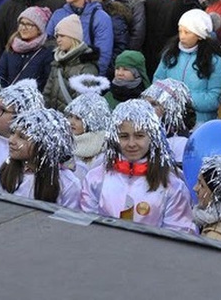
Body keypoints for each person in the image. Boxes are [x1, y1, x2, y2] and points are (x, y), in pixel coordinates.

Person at [80, 99, 196, 233]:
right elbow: (85, 227)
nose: (131, 143)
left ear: (152, 137)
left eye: (139, 135)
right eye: (124, 136)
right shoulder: (96, 178)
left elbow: (179, 236)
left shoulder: (172, 186)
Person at [0, 107, 81, 209]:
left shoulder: (67, 184)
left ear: (45, 145)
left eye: (22, 137)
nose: (11, 140)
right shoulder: (6, 172)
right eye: (13, 133)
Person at [45, 0, 114, 76]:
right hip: (59, 75)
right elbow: (48, 45)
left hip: (87, 77)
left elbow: (103, 56)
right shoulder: (58, 14)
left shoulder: (100, 17)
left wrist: (92, 82)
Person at [43, 14, 99, 111]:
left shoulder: (87, 67)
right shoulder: (57, 63)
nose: (58, 40)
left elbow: (83, 105)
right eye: (57, 36)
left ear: (73, 37)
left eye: (62, 36)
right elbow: (47, 94)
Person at [0, 7, 54, 90]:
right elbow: (0, 76)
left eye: (29, 25)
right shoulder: (12, 46)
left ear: (39, 29)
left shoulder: (46, 52)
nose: (23, 28)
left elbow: (45, 82)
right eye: (21, 23)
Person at [141, 78, 196, 165]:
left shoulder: (181, 143)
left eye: (154, 104)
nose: (146, 108)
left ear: (172, 110)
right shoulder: (140, 133)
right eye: (144, 103)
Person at [64, 83, 111, 180]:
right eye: (70, 116)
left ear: (93, 122)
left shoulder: (101, 148)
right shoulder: (64, 142)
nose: (71, 122)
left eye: (78, 118)